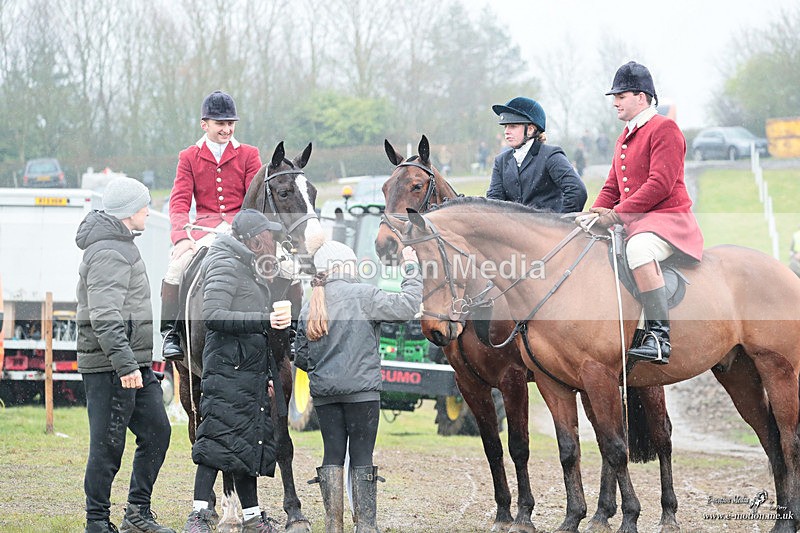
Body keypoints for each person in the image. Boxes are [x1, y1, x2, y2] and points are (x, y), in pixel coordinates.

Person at [578, 61, 704, 365]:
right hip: (637, 220)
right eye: (615, 97)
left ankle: (659, 337)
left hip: (668, 220)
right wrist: (593, 214)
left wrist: (616, 214)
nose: (615, 102)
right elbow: (612, 185)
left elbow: (659, 185)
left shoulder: (665, 129)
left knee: (638, 250)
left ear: (641, 97)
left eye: (621, 96)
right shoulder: (625, 135)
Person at [294, 241, 422, 533]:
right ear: (344, 265)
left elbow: (300, 355)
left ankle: (333, 526)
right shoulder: (365, 294)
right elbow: (408, 306)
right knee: (362, 456)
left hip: (325, 395)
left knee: (332, 454)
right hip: (362, 393)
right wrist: (411, 268)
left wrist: (326, 370)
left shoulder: (311, 304)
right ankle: (365, 526)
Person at [75, 177, 174, 533]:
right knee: (107, 447)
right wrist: (125, 365)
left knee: (157, 432)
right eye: (144, 204)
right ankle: (97, 522)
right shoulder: (108, 250)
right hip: (112, 366)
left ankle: (137, 514)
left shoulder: (121, 244)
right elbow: (105, 314)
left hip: (133, 363)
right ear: (130, 211)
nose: (148, 210)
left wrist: (135, 364)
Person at [182, 209, 286, 533]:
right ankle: (198, 517)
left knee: (244, 444)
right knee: (215, 442)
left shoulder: (246, 264)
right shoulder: (224, 262)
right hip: (227, 370)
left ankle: (252, 518)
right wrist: (264, 320)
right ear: (254, 239)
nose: (272, 241)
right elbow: (213, 314)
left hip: (247, 371)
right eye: (268, 235)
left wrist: (266, 372)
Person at [160, 90, 263, 361]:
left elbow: (255, 201)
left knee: (286, 267)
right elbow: (179, 203)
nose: (227, 129)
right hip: (205, 231)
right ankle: (170, 333)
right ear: (204, 124)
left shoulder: (249, 155)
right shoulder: (189, 157)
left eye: (231, 123)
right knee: (176, 269)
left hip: (242, 232)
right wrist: (181, 237)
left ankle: (290, 333)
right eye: (220, 124)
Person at [486, 96, 587, 213]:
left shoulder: (551, 155)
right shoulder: (501, 161)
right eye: (505, 126)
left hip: (548, 224)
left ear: (530, 129)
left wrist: (560, 221)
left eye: (513, 126)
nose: (506, 131)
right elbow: (494, 201)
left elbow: (577, 190)